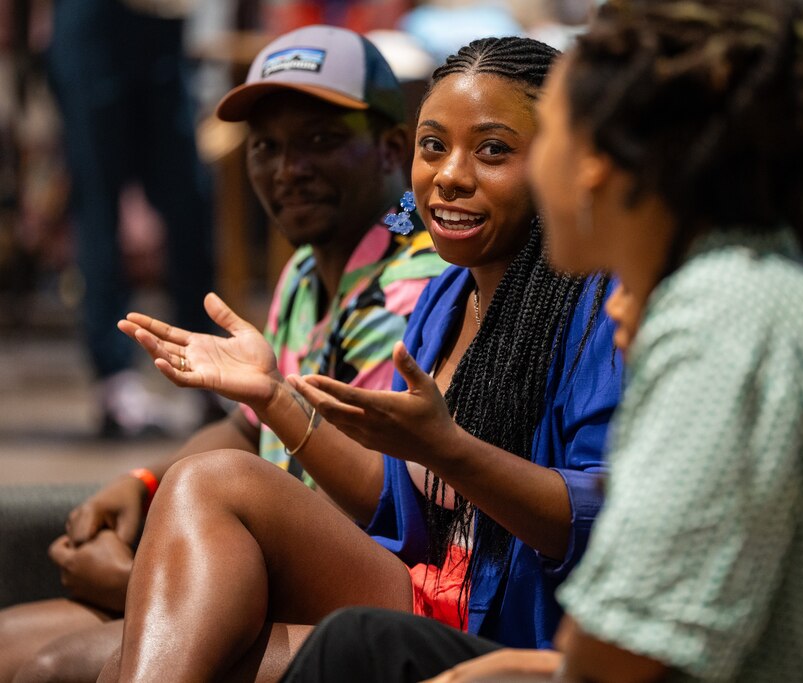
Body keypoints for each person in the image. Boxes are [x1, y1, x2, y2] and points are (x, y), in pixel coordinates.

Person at [279, 1, 803, 681]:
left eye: (520, 144)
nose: (453, 176)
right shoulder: (745, 286)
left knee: (356, 647)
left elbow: (620, 651)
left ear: (595, 164)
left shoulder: (718, 323)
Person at [99, 36, 621, 682]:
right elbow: (396, 504)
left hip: (514, 639)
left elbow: (605, 518)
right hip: (428, 596)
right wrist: (271, 394)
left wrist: (451, 450)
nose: (451, 175)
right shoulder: (443, 299)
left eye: (492, 150)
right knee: (145, 616)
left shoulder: (600, 310)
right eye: (435, 146)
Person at [0, 25, 445, 683]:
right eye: (267, 146)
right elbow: (249, 427)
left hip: (373, 578)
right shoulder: (306, 270)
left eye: (320, 141)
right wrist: (142, 484)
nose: (288, 169)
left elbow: (364, 501)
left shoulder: (413, 287)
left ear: (391, 148)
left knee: (51, 668)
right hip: (268, 557)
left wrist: (142, 575)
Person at [46, 0, 217, 437]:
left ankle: (205, 369)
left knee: (189, 201)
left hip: (162, 16)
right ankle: (114, 382)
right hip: (93, 17)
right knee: (99, 205)